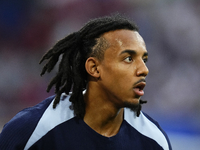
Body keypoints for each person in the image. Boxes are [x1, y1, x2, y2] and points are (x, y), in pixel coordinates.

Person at [0, 14, 172, 150]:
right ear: (94, 68)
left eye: (144, 59)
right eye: (128, 59)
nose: (144, 70)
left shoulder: (154, 140)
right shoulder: (31, 130)